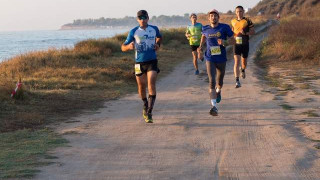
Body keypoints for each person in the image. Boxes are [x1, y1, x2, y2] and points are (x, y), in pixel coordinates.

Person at [121, 10, 162, 123]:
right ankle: (145, 104)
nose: (142, 19)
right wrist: (128, 47)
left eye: (144, 17)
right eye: (140, 18)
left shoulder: (154, 29)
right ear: (137, 19)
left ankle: (149, 111)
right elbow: (122, 47)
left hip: (152, 61)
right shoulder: (133, 31)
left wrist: (158, 44)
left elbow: (159, 37)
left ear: (148, 18)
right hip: (139, 63)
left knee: (151, 83)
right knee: (141, 85)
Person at [198, 9, 234, 116]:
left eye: (215, 16)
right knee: (211, 81)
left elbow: (234, 40)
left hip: (221, 58)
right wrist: (200, 47)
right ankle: (214, 107)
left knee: (220, 82)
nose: (213, 17)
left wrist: (225, 42)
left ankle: (219, 91)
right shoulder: (205, 28)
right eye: (211, 16)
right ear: (208, 18)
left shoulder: (225, 27)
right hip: (210, 58)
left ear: (218, 17)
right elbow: (203, 36)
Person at [231, 5, 255, 88]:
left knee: (244, 62)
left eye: (240, 11)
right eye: (237, 11)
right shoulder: (233, 21)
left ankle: (243, 69)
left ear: (243, 11)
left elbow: (253, 32)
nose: (239, 13)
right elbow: (232, 32)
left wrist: (245, 33)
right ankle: (237, 81)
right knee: (237, 61)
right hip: (236, 44)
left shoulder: (247, 20)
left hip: (245, 44)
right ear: (235, 12)